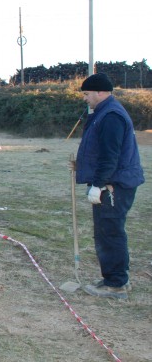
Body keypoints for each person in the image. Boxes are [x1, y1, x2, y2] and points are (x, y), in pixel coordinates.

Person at [75, 73, 145, 300]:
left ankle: (115, 284)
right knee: (107, 231)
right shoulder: (104, 113)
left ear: (100, 92)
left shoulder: (111, 116)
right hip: (112, 182)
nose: (85, 98)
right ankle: (115, 279)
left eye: (87, 94)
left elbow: (110, 156)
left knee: (110, 232)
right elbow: (99, 150)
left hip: (114, 186)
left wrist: (98, 185)